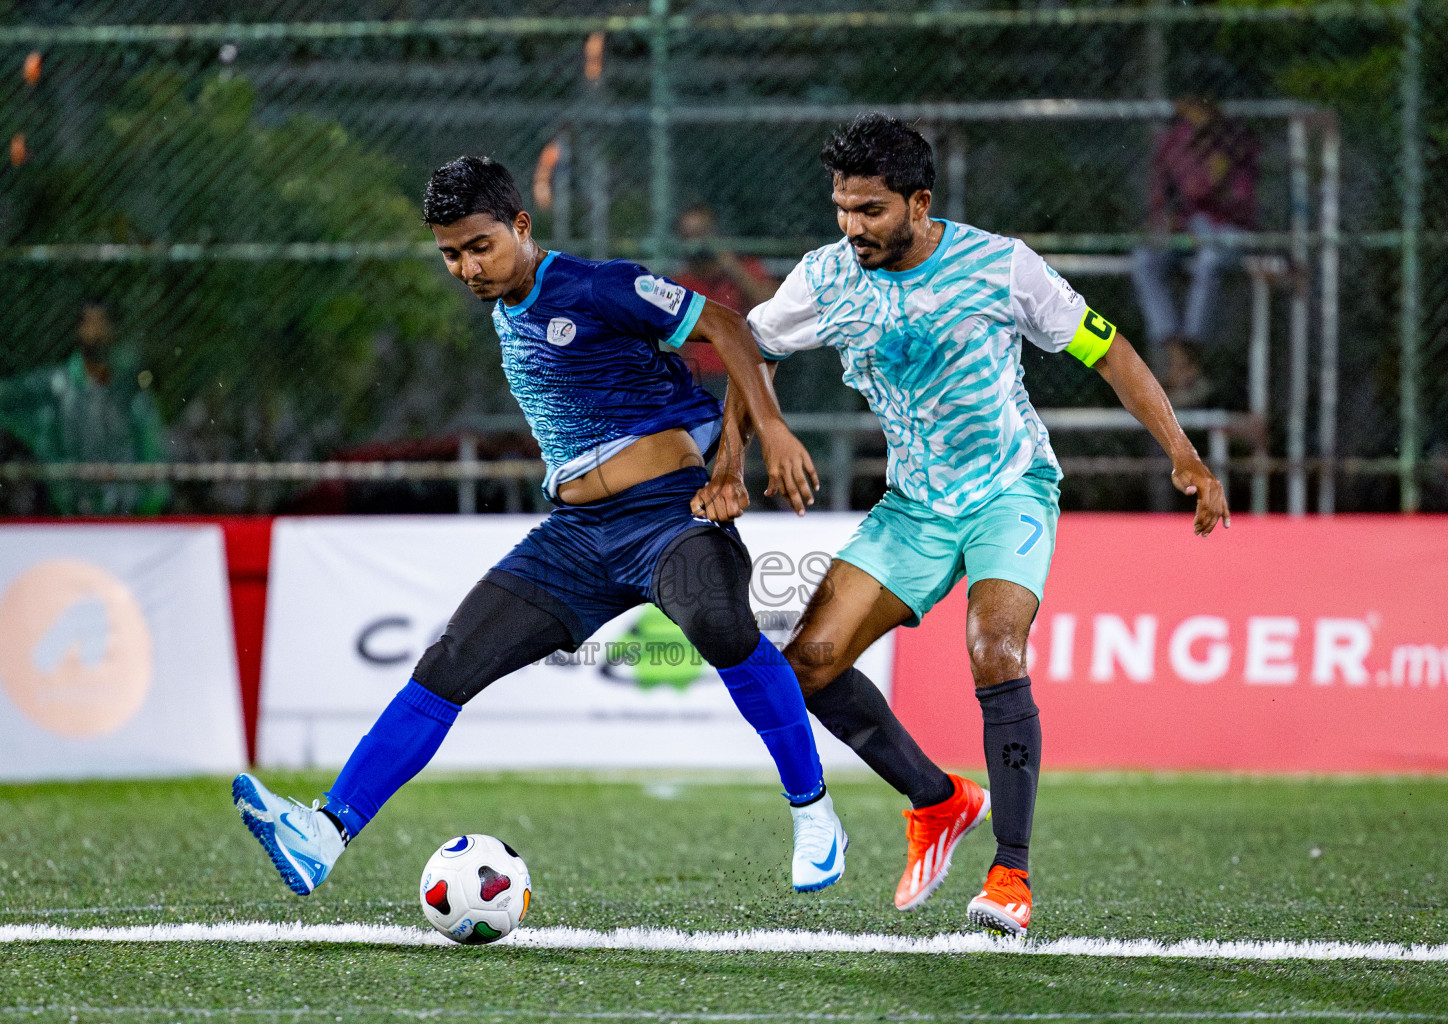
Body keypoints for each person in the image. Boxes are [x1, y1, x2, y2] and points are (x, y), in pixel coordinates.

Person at [233, 157, 847, 897]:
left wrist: (757, 441)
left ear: (521, 226)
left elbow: (728, 327)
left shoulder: (595, 286)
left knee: (721, 627)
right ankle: (324, 836)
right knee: (448, 664)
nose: (465, 267)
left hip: (668, 517)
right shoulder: (508, 310)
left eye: (479, 246)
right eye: (450, 254)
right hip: (577, 538)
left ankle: (814, 813)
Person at [695, 114, 1230, 937]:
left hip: (1008, 491)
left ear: (920, 201)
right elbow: (746, 346)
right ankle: (938, 801)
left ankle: (1010, 875)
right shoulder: (826, 277)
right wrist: (733, 455)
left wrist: (1184, 456)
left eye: (871, 210)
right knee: (807, 665)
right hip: (912, 505)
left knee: (995, 651)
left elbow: (1110, 349)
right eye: (842, 207)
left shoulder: (1000, 264)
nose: (852, 227)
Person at [0, 300, 168, 515]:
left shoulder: (128, 390)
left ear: (113, 330)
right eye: (88, 323)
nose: (95, 332)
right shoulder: (57, 386)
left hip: (125, 514)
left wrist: (147, 509)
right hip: (66, 512)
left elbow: (151, 453)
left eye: (101, 323)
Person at [1130, 97, 1261, 406]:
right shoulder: (1175, 141)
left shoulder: (1235, 142)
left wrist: (1217, 176)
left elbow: (1234, 201)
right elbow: (1162, 195)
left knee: (1210, 260)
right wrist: (1168, 219)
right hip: (1189, 229)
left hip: (1226, 229)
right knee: (1146, 259)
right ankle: (1179, 359)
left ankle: (1189, 362)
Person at [672, 204, 779, 394]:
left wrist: (731, 266)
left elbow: (773, 306)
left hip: (741, 374)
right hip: (696, 379)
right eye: (689, 236)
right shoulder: (681, 282)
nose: (697, 243)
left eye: (702, 234)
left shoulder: (741, 270)